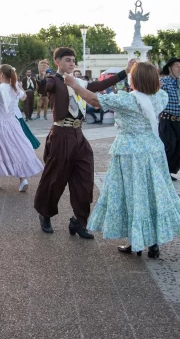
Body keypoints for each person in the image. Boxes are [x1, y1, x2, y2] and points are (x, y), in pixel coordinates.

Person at [62, 61, 180, 259]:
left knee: (132, 195)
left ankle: (136, 242)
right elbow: (157, 91)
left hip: (130, 152)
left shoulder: (128, 100)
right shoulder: (160, 97)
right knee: (151, 194)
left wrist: (74, 84)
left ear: (134, 79)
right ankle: (153, 244)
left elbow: (95, 100)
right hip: (153, 150)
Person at [33, 49, 133, 237]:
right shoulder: (54, 80)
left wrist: (125, 72)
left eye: (73, 61)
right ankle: (44, 214)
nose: (72, 63)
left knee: (85, 179)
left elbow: (101, 84)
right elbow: (42, 88)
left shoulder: (79, 82)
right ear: (57, 61)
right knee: (55, 179)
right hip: (61, 135)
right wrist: (40, 74)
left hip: (79, 135)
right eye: (67, 60)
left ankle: (79, 222)